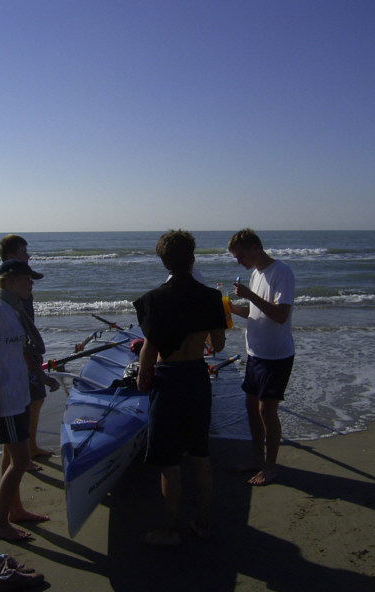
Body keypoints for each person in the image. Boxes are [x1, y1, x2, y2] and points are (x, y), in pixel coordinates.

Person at [133, 230, 226, 546]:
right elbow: (219, 344)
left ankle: (171, 530)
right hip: (196, 377)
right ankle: (203, 522)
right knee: (200, 453)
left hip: (168, 378)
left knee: (169, 460)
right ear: (193, 257)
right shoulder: (211, 298)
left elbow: (149, 347)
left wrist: (143, 375)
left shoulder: (154, 300)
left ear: (164, 262)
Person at [0, 260, 56, 541]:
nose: (31, 284)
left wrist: (42, 377)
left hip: (21, 395)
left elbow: (23, 352)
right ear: (9, 280)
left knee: (16, 458)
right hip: (6, 400)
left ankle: (15, 510)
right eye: (27, 279)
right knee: (20, 460)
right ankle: (1, 523)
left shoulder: (13, 311)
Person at [228, 228, 295, 486]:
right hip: (255, 352)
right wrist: (233, 308)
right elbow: (257, 312)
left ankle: (270, 467)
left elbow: (280, 315)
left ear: (256, 248)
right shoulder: (256, 274)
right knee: (251, 409)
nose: (238, 261)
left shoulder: (282, 272)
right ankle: (257, 458)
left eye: (241, 255)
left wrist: (249, 295)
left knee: (267, 410)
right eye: (236, 257)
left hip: (276, 355)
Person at [0, 235, 52, 468]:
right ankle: (18, 457)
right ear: (11, 257)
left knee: (37, 398)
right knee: (23, 406)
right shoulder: (9, 289)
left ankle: (29, 447)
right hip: (22, 353)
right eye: (23, 252)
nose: (28, 256)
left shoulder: (24, 282)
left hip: (29, 349)